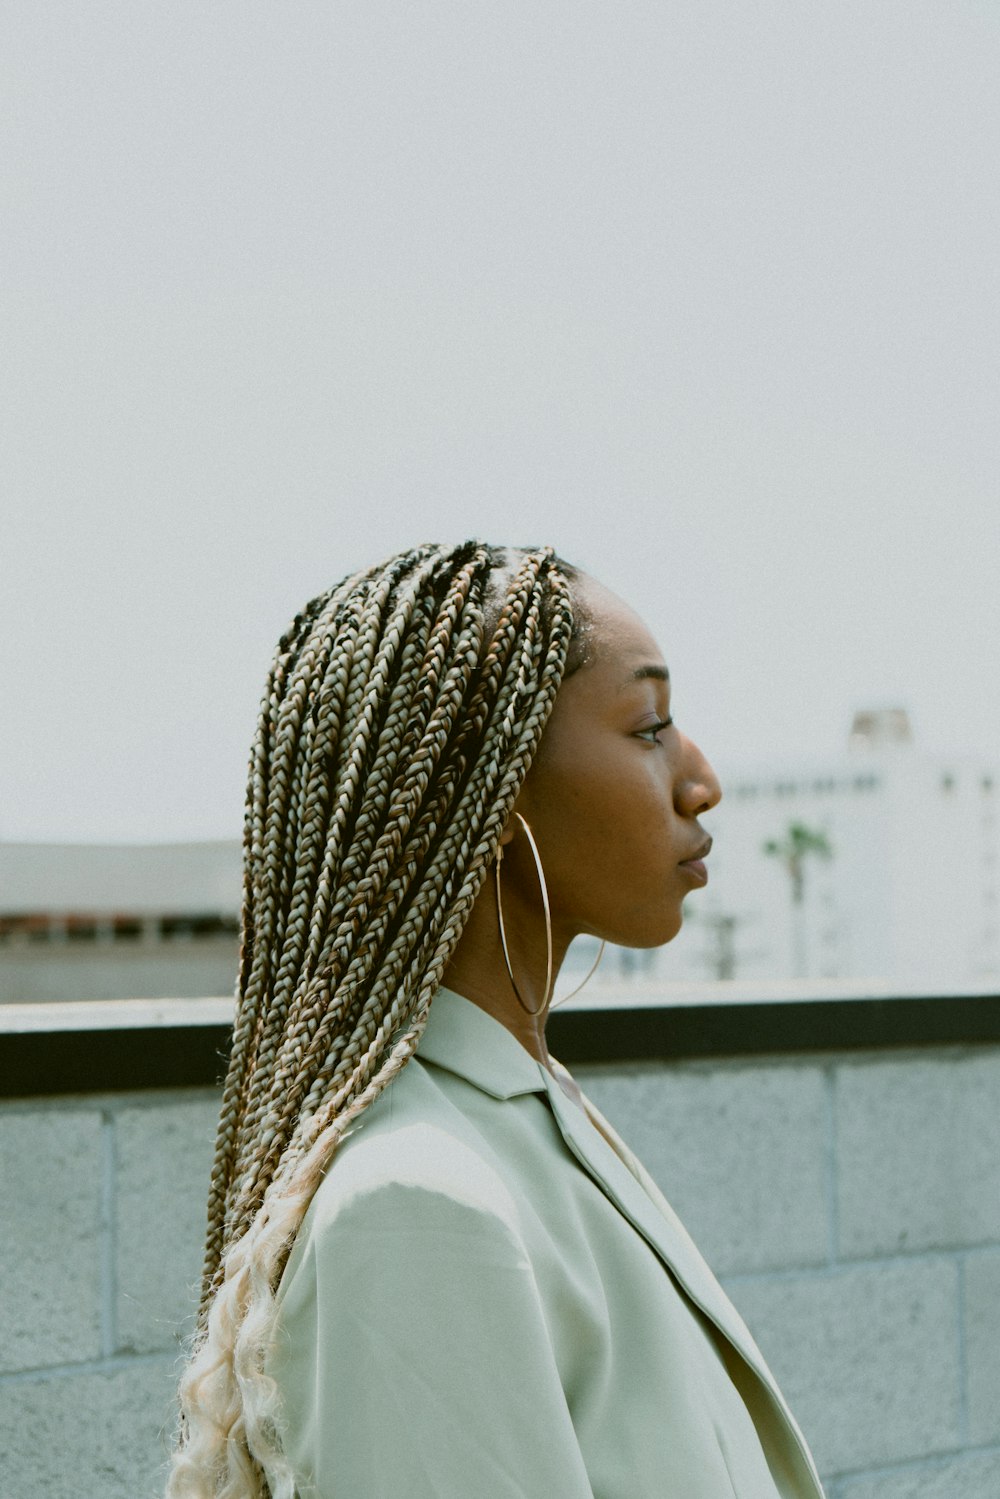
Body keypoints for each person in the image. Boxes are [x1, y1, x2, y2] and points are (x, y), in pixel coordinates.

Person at [167, 541, 825, 1498]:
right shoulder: (417, 1205)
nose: (701, 779)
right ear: (494, 786)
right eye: (650, 727)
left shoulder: (526, 1116)